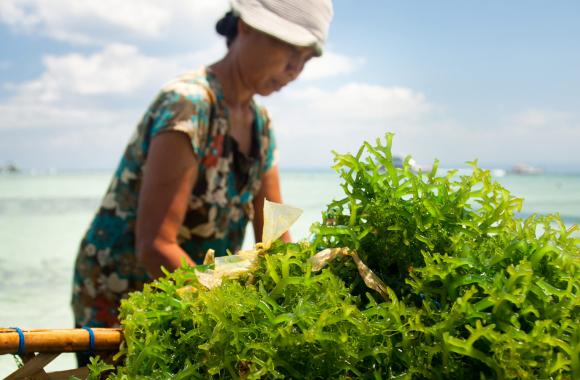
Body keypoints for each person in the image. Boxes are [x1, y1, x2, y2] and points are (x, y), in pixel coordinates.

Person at [71, 0, 333, 367]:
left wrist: (303, 303)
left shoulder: (262, 126)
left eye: (306, 59)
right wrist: (237, 313)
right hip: (123, 294)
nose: (295, 69)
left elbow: (276, 240)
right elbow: (156, 246)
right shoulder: (190, 105)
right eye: (290, 49)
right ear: (246, 27)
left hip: (194, 298)